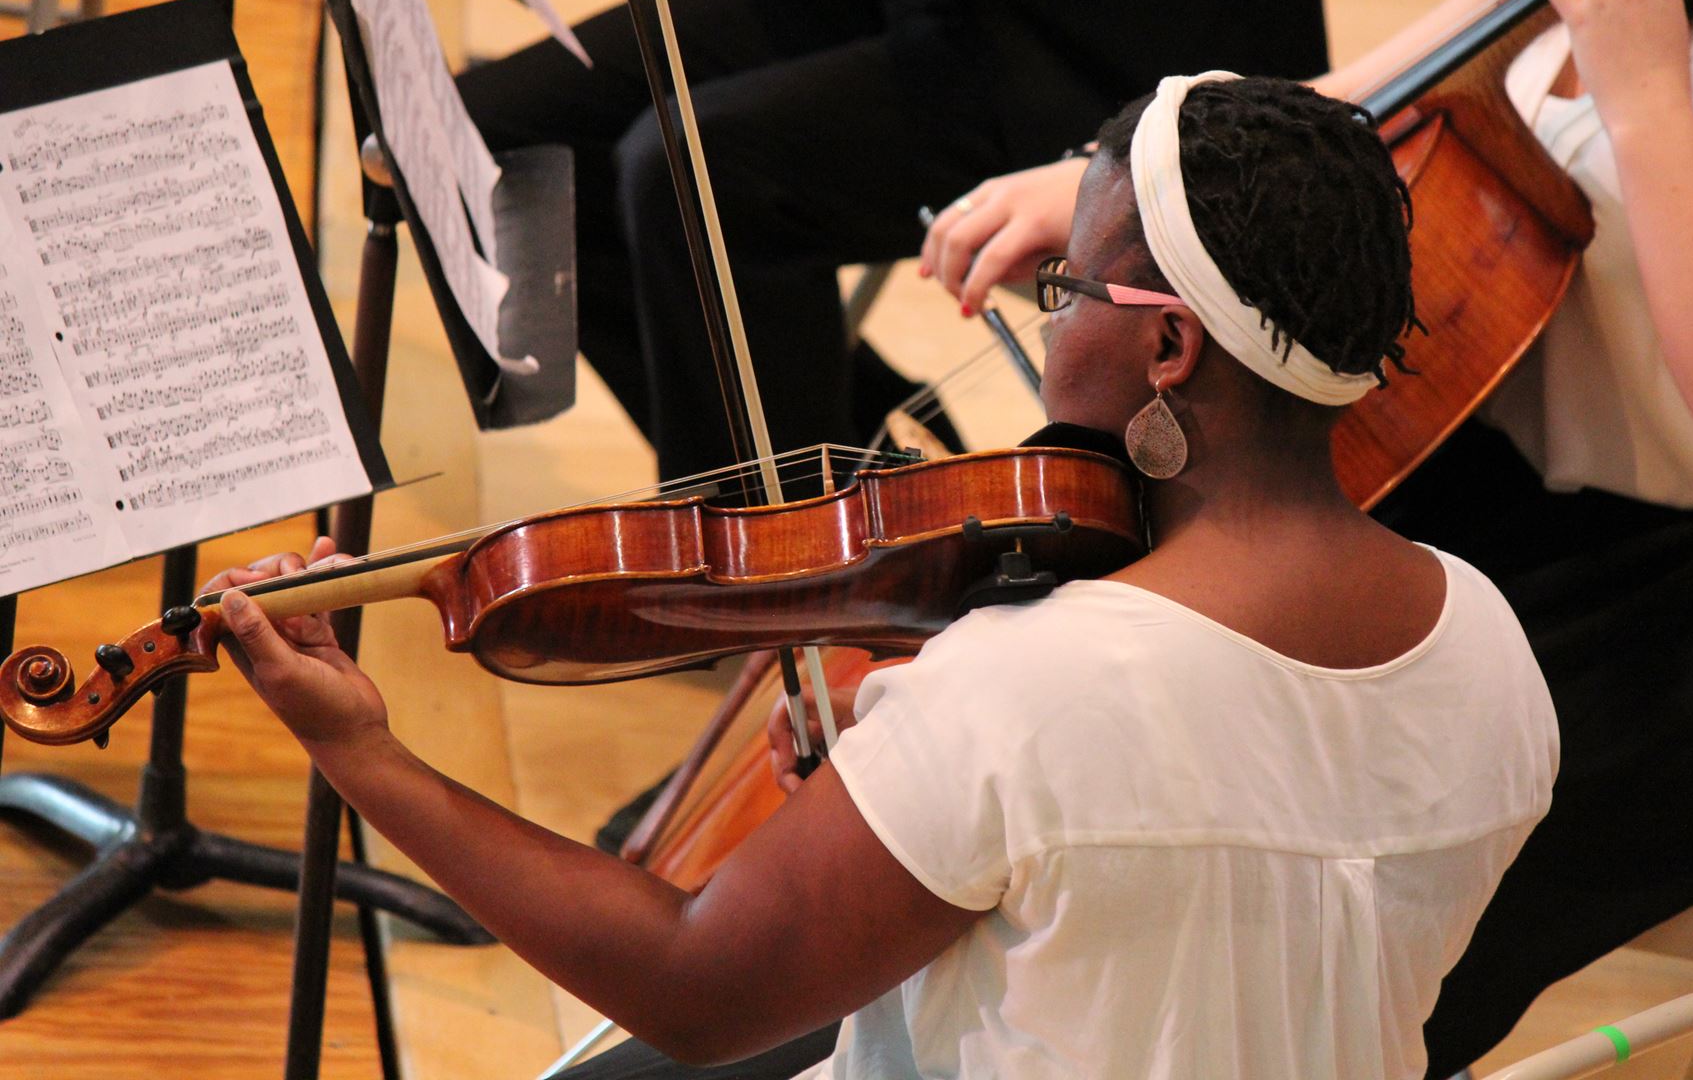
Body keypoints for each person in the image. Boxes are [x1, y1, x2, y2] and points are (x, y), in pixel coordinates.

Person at [205, 76, 1557, 1079]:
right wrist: (924, 799)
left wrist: (366, 755)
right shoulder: (1496, 648)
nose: (1051, 324)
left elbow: (694, 989)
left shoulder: (1029, 685)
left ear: (1170, 353)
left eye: (1066, 291)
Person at [918, 0, 1693, 1074]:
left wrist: (1644, 100)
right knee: (1184, 761)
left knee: (1345, 921)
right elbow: (1358, 110)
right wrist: (1114, 197)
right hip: (1492, 486)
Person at [456, 0, 1328, 486]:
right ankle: (853, 454)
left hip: (1101, 32)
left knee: (698, 169)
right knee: (508, 135)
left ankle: (801, 574)